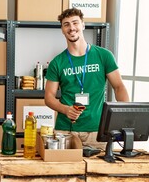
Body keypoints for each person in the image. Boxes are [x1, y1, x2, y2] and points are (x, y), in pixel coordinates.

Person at [44, 8, 129, 149]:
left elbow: (119, 87)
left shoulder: (104, 56)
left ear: (83, 25)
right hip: (65, 131)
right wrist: (65, 110)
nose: (71, 28)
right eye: (66, 24)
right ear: (62, 29)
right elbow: (49, 97)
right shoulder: (57, 62)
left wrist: (125, 120)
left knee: (98, 171)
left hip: (97, 132)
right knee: (65, 171)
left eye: (75, 23)